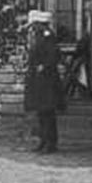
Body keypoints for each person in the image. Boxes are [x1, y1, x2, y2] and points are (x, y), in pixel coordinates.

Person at [23, 10, 61, 154]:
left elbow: (53, 55)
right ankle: (43, 141)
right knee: (41, 111)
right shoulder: (37, 36)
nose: (33, 28)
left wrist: (43, 66)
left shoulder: (47, 35)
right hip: (38, 79)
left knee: (47, 111)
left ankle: (51, 143)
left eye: (34, 25)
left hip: (46, 79)